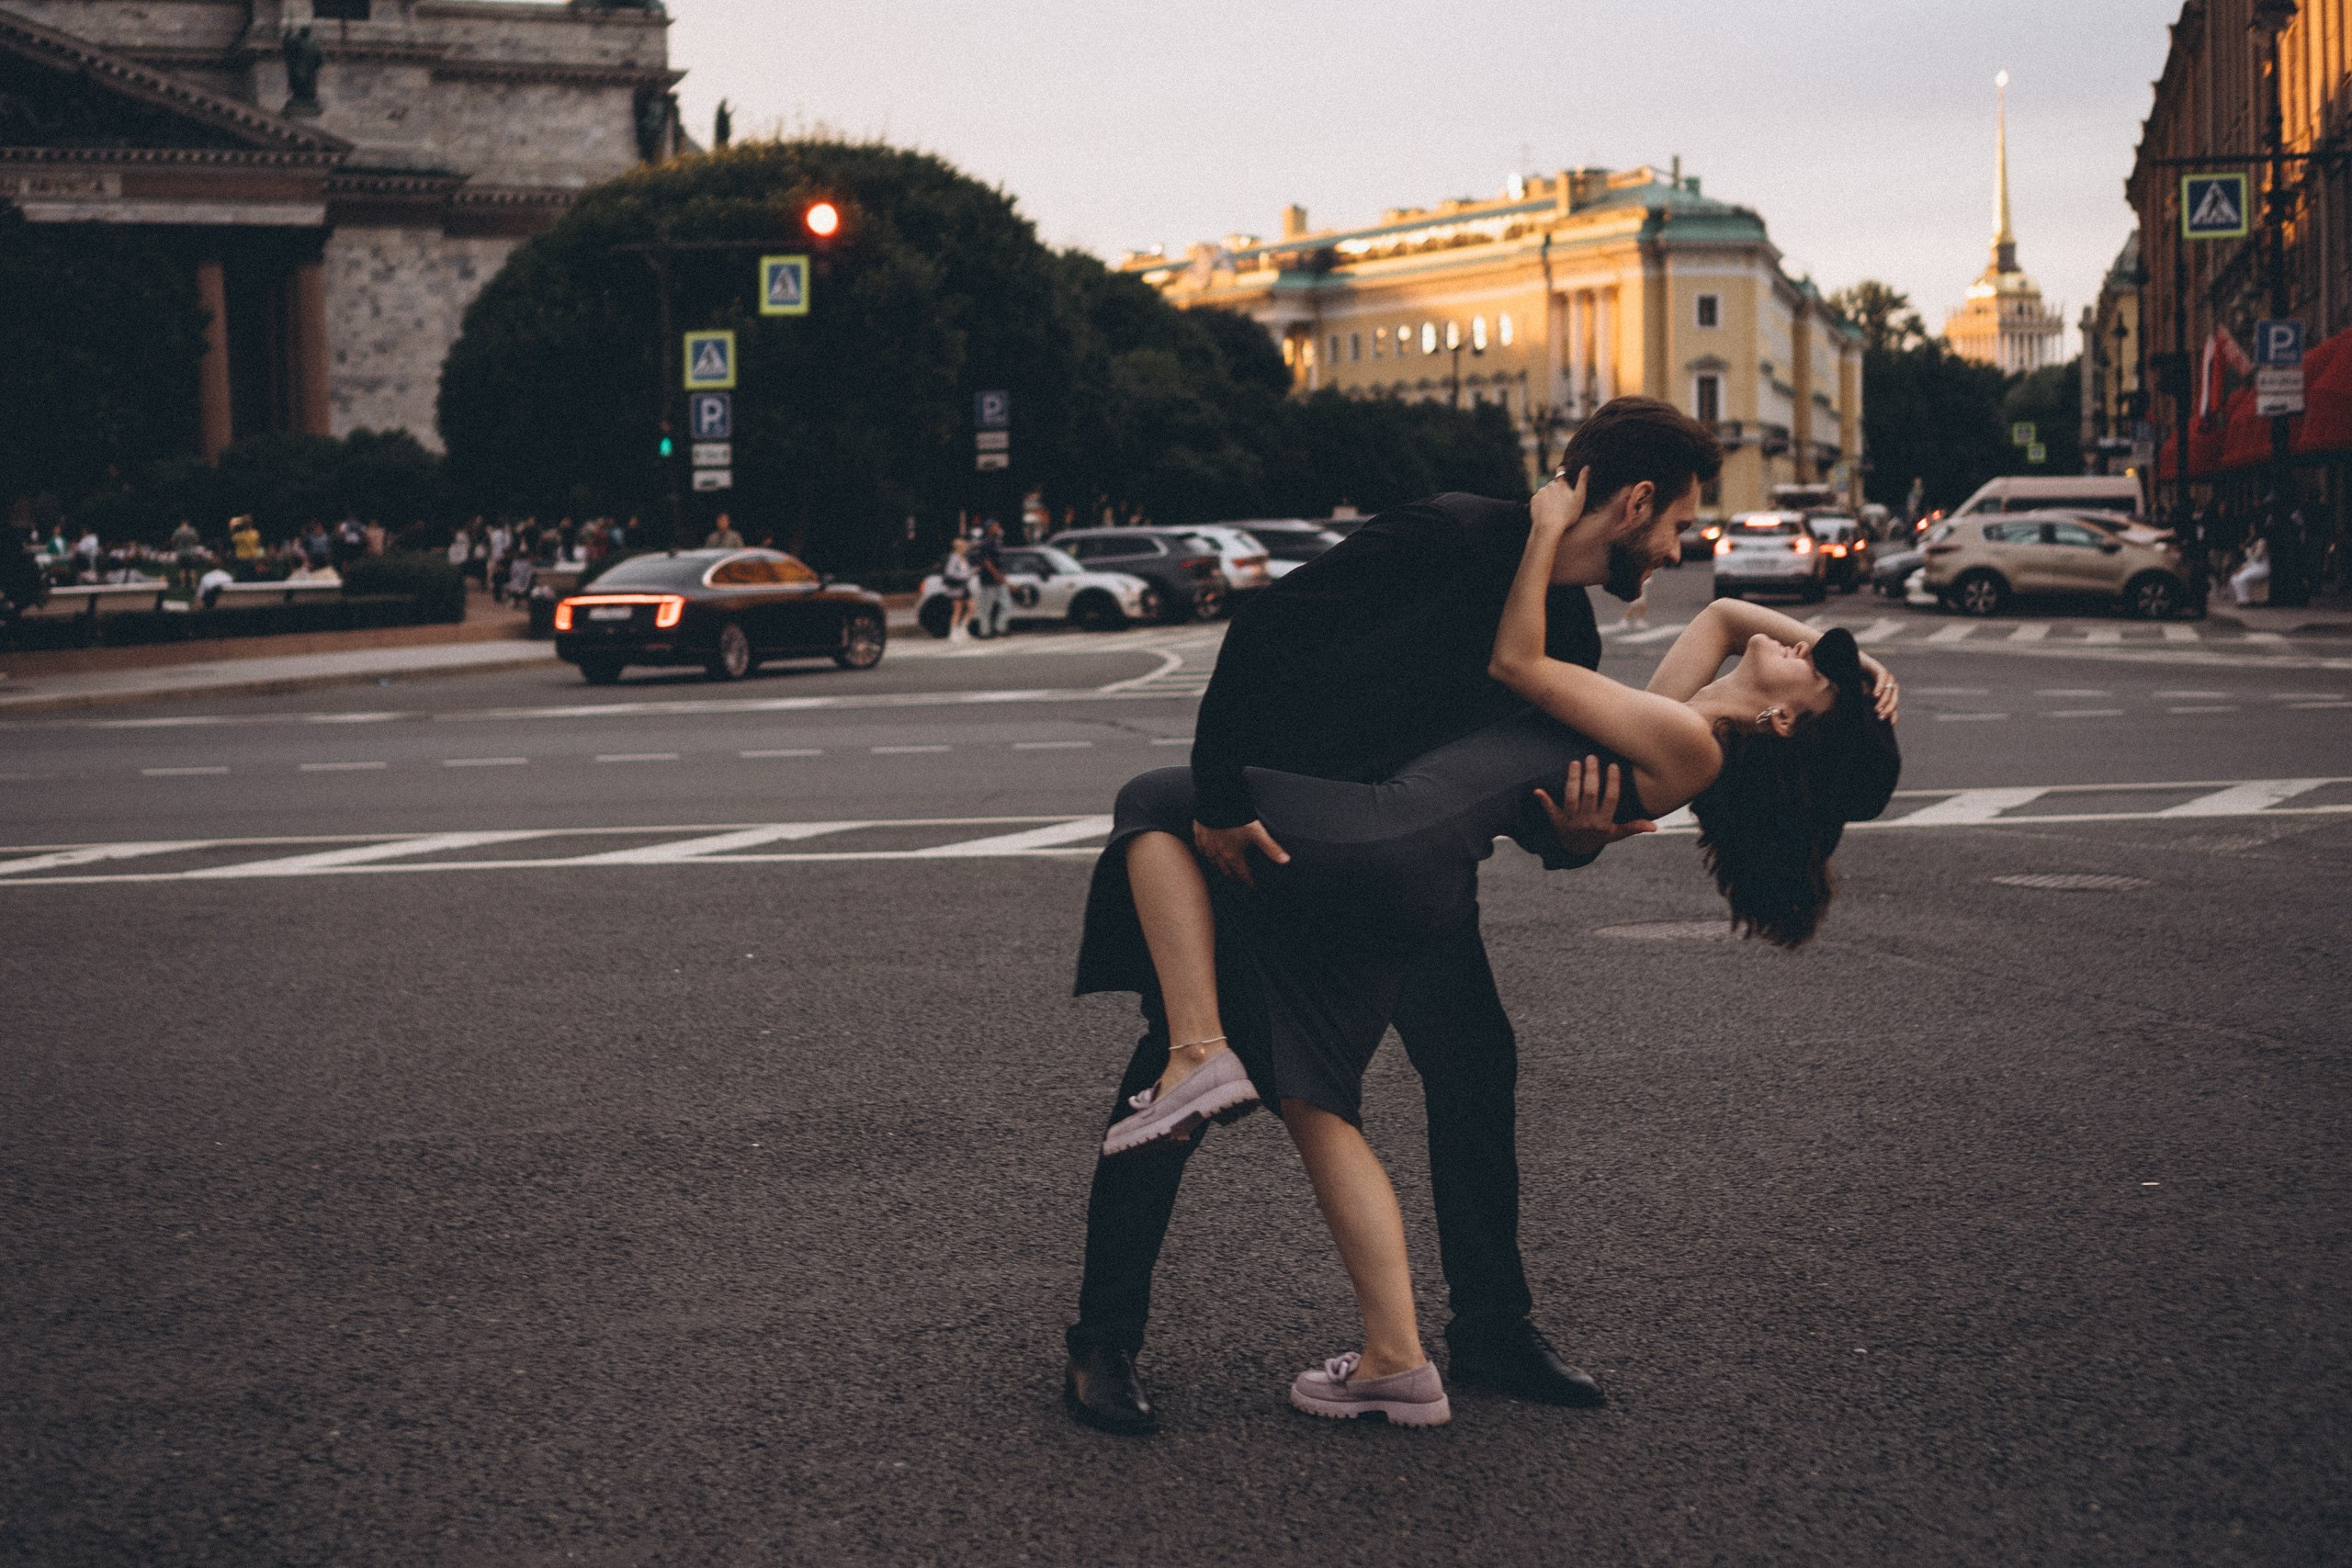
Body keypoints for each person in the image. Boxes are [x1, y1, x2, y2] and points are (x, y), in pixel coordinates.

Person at [1079, 468, 1901, 1427]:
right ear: (1632, 505)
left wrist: (1579, 837)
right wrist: (1847, 659)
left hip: (1406, 864)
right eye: (1678, 521)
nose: (1682, 547)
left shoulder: (1585, 644)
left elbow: (1542, 795)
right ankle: (1105, 1339)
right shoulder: (1448, 536)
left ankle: (1490, 1331)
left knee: (1468, 1070)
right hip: (1306, 814)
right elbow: (1268, 631)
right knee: (1190, 1068)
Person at [971, 519, 1011, 638]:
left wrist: (1002, 575)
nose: (998, 528)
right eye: (995, 526)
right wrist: (997, 575)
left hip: (998, 579)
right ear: (989, 529)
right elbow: (986, 562)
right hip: (988, 579)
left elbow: (999, 561)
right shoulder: (985, 544)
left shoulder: (996, 543)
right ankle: (985, 632)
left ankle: (1000, 627)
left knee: (1006, 604)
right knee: (986, 607)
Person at [940, 536, 977, 641]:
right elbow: (949, 572)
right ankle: (953, 633)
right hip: (956, 587)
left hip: (963, 586)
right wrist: (964, 575)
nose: (967, 548)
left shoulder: (962, 558)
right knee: (957, 610)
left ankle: (963, 629)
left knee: (971, 607)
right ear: (960, 547)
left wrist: (970, 572)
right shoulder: (954, 557)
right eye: (965, 546)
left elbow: (965, 570)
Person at [2230, 533, 2271, 606]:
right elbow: (2249, 561)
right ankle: (2241, 599)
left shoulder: (2262, 541)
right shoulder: (2250, 544)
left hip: (2262, 567)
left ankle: (2246, 601)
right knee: (2234, 578)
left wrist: (2248, 552)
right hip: (2252, 566)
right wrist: (2241, 568)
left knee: (2242, 578)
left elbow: (2257, 557)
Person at [167, 518, 204, 593]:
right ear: (187, 523)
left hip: (181, 553)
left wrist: (177, 546)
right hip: (191, 553)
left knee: (182, 569)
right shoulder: (192, 531)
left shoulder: (177, 531)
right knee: (192, 569)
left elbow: (173, 541)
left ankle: (183, 585)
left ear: (181, 523)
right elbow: (197, 540)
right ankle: (193, 584)